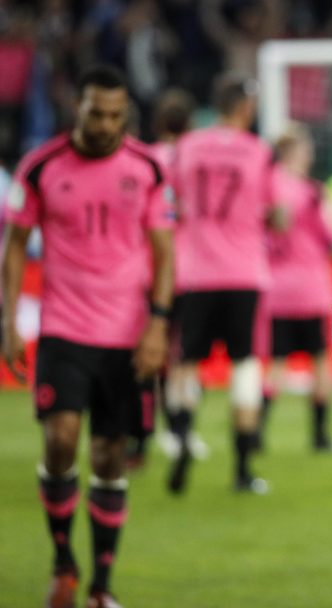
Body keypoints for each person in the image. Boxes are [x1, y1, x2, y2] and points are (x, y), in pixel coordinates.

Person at [1, 65, 175, 608]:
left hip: (126, 336)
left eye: (116, 115)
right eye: (96, 113)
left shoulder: (146, 167)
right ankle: (62, 564)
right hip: (63, 328)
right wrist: (7, 322)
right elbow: (15, 244)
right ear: (77, 108)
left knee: (107, 456)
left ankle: (100, 585)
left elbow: (165, 251)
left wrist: (157, 323)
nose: (105, 124)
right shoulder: (40, 167)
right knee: (59, 441)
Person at [166, 72, 278, 494]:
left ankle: (180, 439)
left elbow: (170, 201)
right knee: (244, 364)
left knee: (186, 362)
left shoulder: (187, 148)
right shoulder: (257, 152)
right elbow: (273, 211)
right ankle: (243, 469)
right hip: (243, 273)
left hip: (194, 271)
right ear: (245, 107)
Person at [125, 87, 200, 470]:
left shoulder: (146, 159)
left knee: (146, 353)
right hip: (188, 270)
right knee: (179, 357)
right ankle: (180, 432)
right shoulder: (196, 157)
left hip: (147, 270)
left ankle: (138, 440)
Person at [259, 123, 332, 451]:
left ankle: (255, 434)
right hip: (309, 289)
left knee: (276, 363)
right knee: (320, 360)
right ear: (295, 152)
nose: (310, 156)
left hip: (277, 290)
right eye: (306, 150)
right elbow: (331, 239)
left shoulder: (265, 187)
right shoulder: (313, 192)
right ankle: (320, 437)